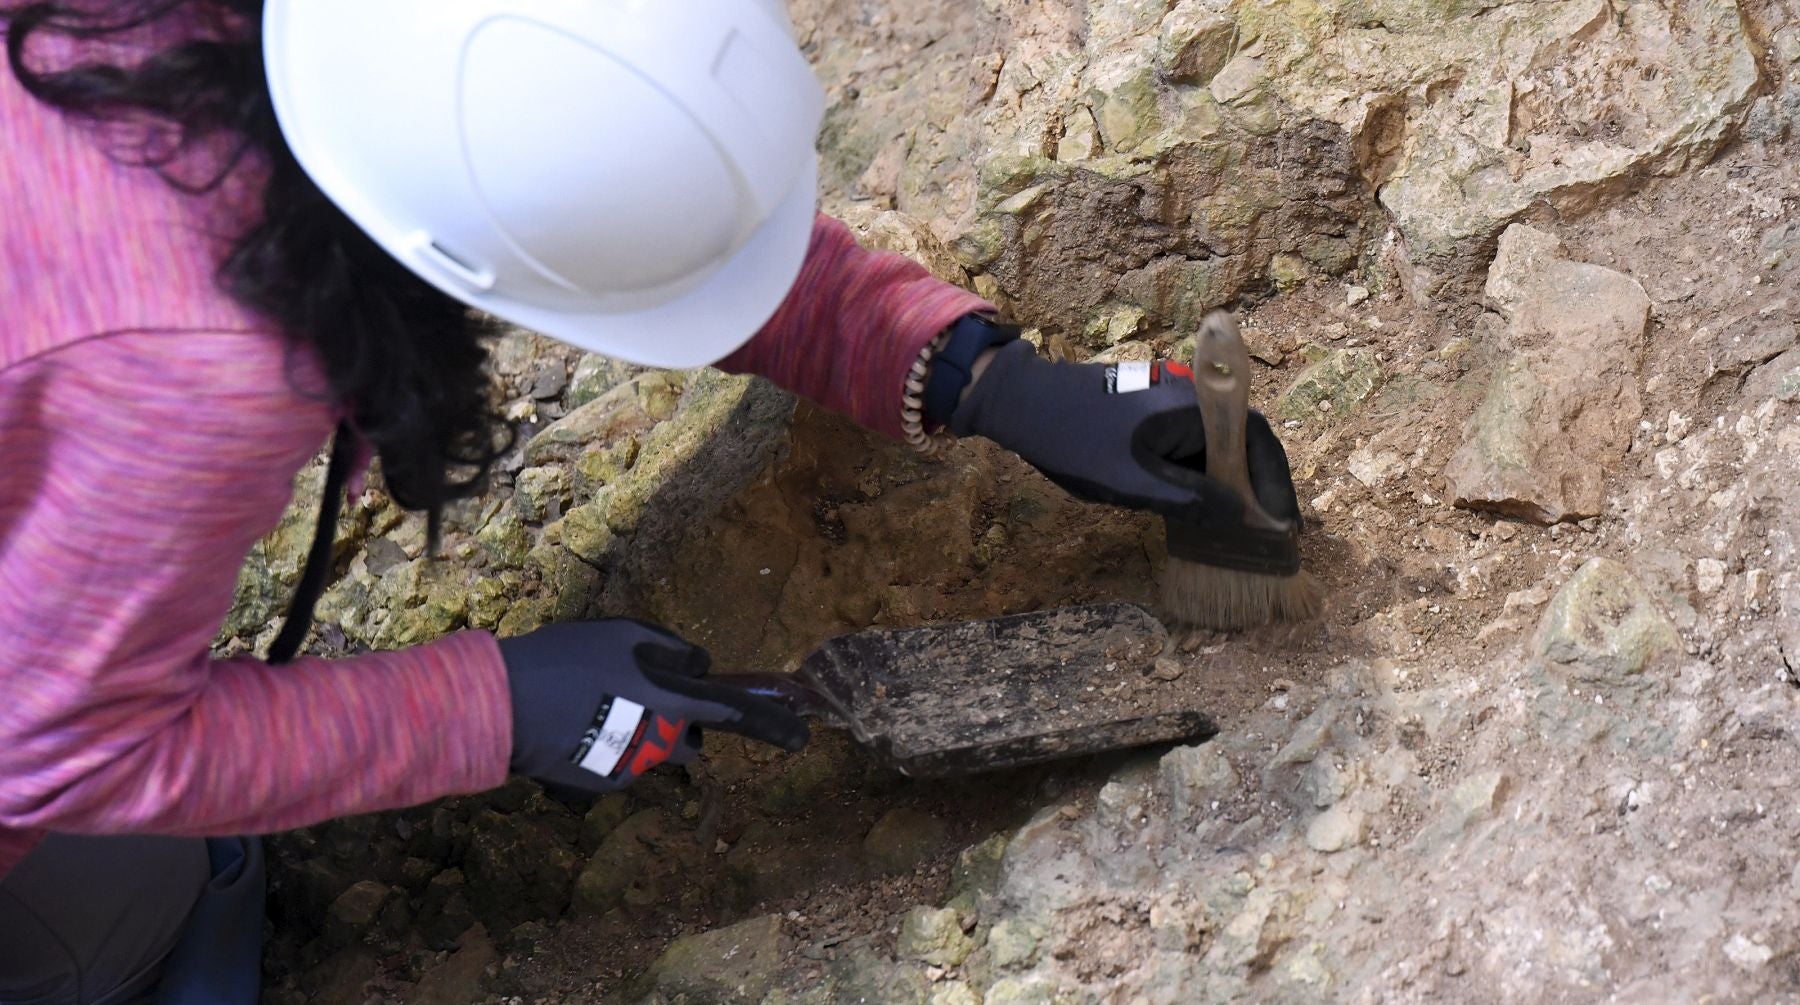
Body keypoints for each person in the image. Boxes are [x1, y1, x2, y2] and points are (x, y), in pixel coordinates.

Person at [0, 0, 1300, 1001]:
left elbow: (615, 189)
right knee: (163, 891)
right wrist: (493, 704)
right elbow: (61, 745)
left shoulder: (277, 51)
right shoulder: (194, 364)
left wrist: (975, 372)